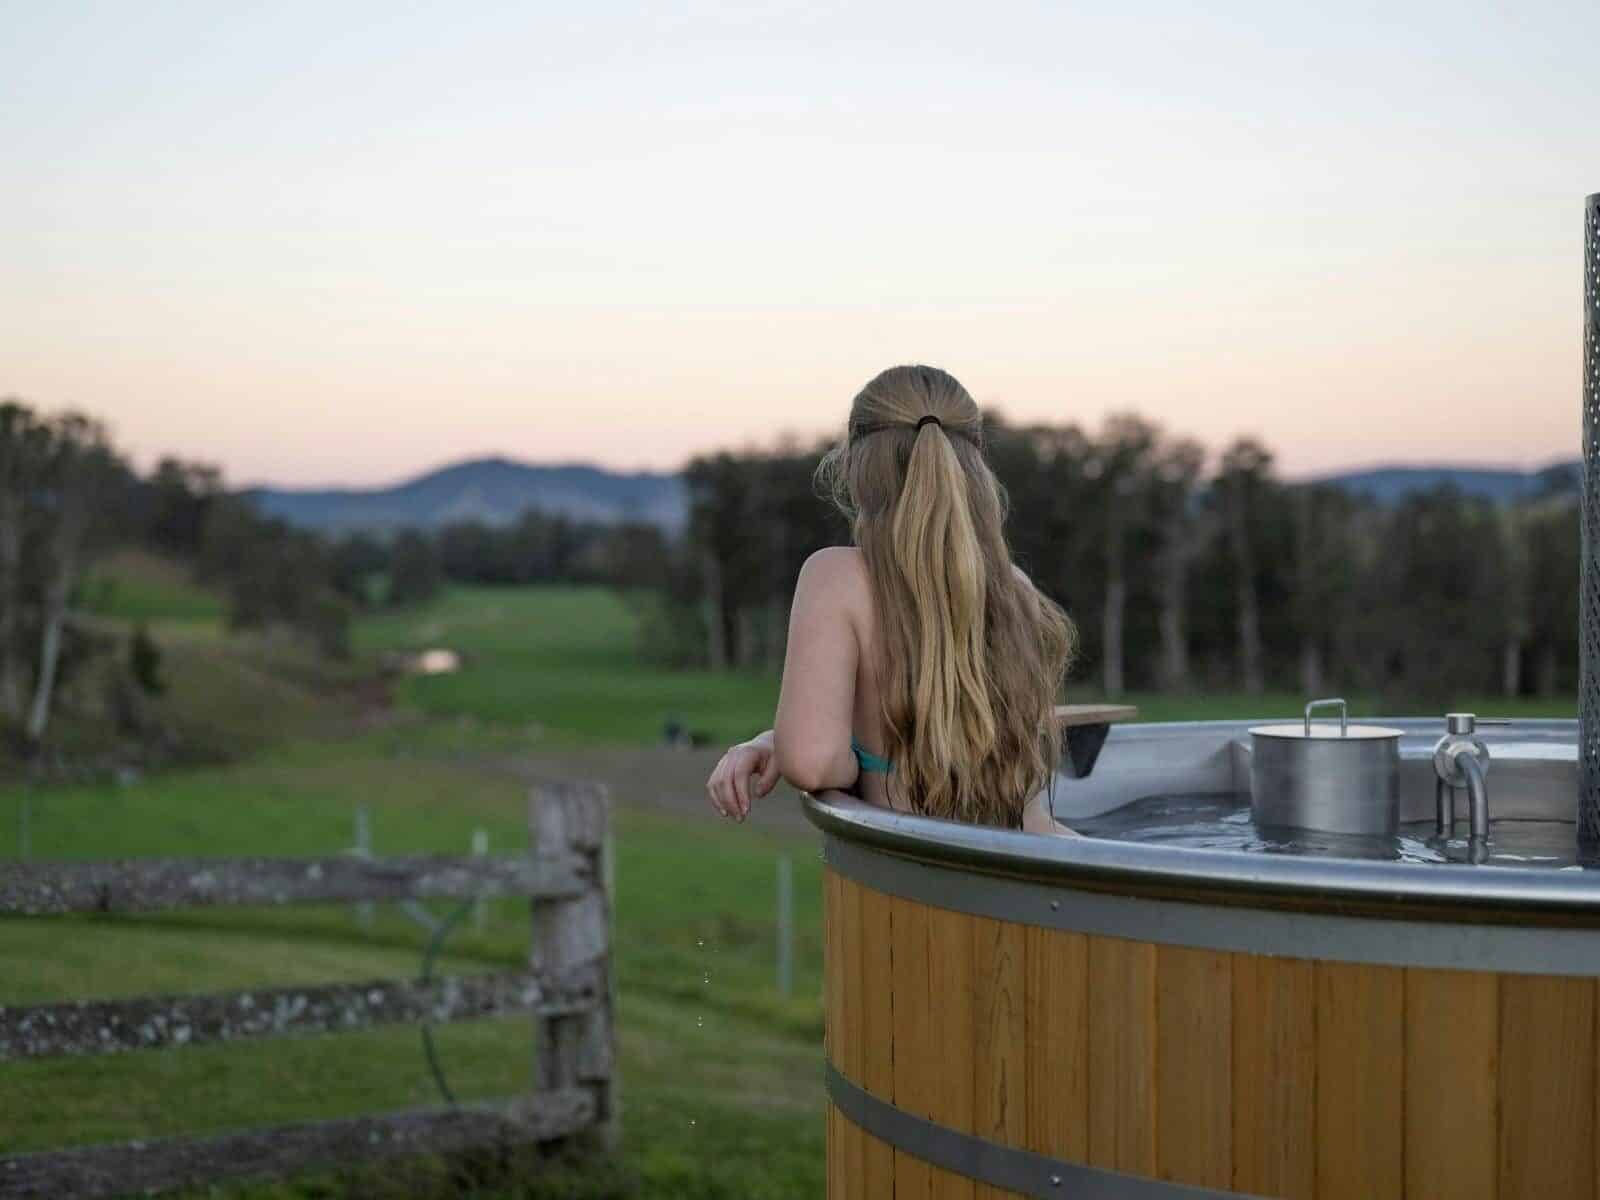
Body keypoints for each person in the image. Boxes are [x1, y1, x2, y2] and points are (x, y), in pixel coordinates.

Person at [704, 365, 1081, 835]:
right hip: (1033, 870)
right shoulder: (1017, 590)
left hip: (917, 887)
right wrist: (778, 739)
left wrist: (796, 744)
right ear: (976, 464)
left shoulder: (836, 578)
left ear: (857, 466)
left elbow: (814, 764)